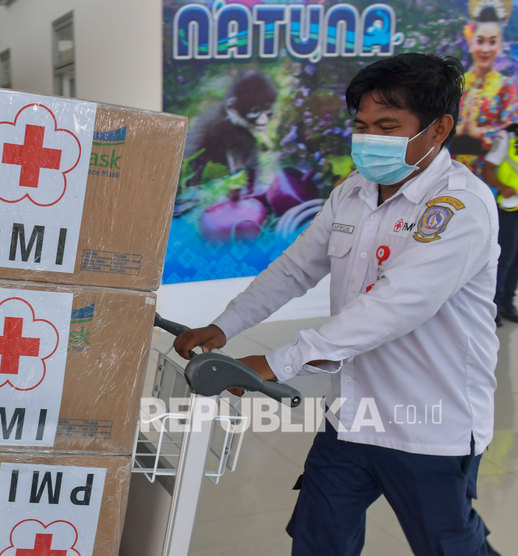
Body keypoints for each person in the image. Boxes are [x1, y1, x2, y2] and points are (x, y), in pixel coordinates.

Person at [173, 53, 500, 555]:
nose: (370, 139)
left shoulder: (459, 209)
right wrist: (224, 325)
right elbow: (295, 268)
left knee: (448, 547)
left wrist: (278, 362)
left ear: (439, 131)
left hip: (430, 424)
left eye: (388, 127)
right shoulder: (353, 191)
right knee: (317, 538)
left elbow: (394, 306)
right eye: (363, 125)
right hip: (352, 415)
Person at [450, 0, 517, 178]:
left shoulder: (507, 87)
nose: (485, 49)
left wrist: (477, 132)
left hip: (492, 177)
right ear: (471, 42)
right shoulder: (457, 84)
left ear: (500, 44)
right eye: (480, 41)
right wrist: (456, 129)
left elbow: (513, 133)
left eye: (492, 42)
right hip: (451, 173)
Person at [483, 123, 518, 326]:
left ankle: (507, 303)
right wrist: (503, 187)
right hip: (508, 208)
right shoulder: (509, 135)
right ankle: (493, 306)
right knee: (504, 257)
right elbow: (488, 170)